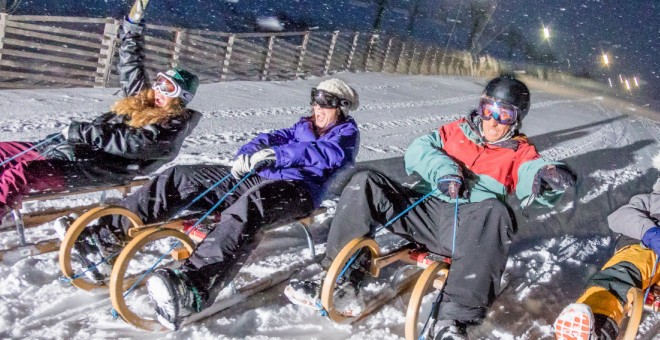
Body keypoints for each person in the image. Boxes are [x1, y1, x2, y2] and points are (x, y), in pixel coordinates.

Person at [285, 75, 577, 339]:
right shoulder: (456, 132)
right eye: (489, 110)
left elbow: (532, 172)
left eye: (504, 115)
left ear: (516, 120)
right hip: (422, 212)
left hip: (467, 228)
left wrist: (545, 176)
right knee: (365, 182)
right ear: (481, 107)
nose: (492, 121)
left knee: (496, 212)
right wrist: (445, 171)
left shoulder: (520, 152)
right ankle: (342, 283)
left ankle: (452, 322)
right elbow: (418, 150)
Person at [60, 78, 360, 330]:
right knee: (182, 176)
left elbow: (325, 155)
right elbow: (268, 137)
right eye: (316, 101)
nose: (318, 109)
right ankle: (108, 236)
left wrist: (277, 156)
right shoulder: (301, 126)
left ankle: (193, 286)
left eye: (326, 103)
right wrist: (249, 153)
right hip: (257, 179)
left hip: (297, 191)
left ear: (341, 108)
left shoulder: (346, 135)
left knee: (250, 206)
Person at [0, 16, 201, 223]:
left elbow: (133, 143)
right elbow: (131, 67)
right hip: (68, 148)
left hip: (94, 167)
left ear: (182, 98)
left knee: (19, 175)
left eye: (168, 88)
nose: (158, 90)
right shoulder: (145, 101)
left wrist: (85, 132)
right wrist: (132, 30)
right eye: (160, 82)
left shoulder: (172, 126)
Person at [554, 164, 660, 340]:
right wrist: (650, 232)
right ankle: (597, 322)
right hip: (645, 251)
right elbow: (619, 217)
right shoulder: (653, 201)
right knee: (626, 272)